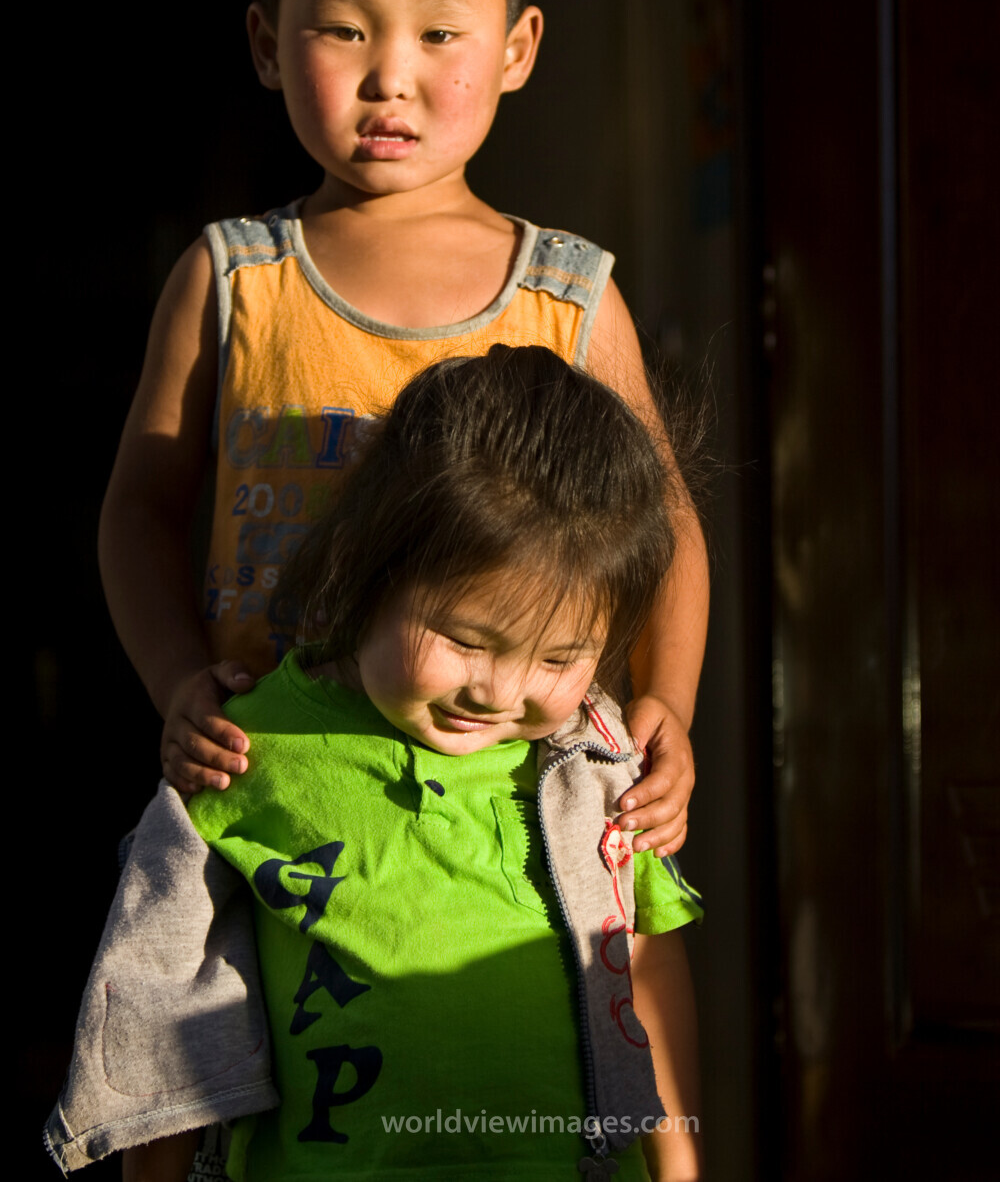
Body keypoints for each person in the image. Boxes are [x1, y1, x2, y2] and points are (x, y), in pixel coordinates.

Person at [98, 0, 709, 855]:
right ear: (265, 43)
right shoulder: (234, 282)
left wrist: (669, 703)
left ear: (515, 50)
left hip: (513, 794)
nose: (390, 76)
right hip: (281, 787)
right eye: (344, 30)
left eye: (438, 33)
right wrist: (178, 682)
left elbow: (666, 524)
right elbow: (139, 511)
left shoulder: (568, 298)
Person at [48, 346, 703, 1181]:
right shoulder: (251, 751)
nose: (497, 691)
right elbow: (167, 1001)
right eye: (465, 640)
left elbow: (647, 957)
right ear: (373, 566)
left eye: (558, 659)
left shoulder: (598, 767)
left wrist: (680, 1165)